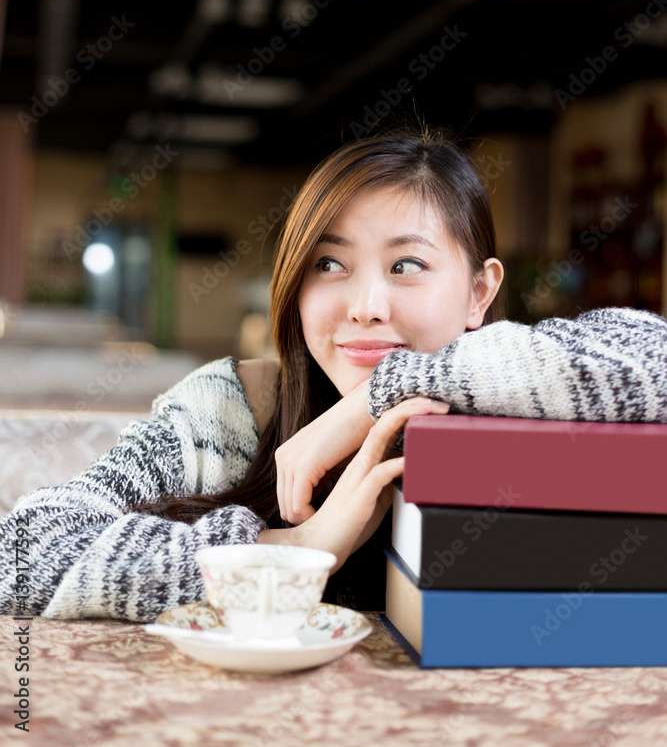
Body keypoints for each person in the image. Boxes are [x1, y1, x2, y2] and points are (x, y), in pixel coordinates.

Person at [2, 127, 667, 624]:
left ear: (478, 293)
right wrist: (286, 550)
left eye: (407, 265)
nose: (365, 306)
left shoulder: (524, 390)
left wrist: (372, 402)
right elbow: (21, 553)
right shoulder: (232, 411)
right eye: (328, 265)